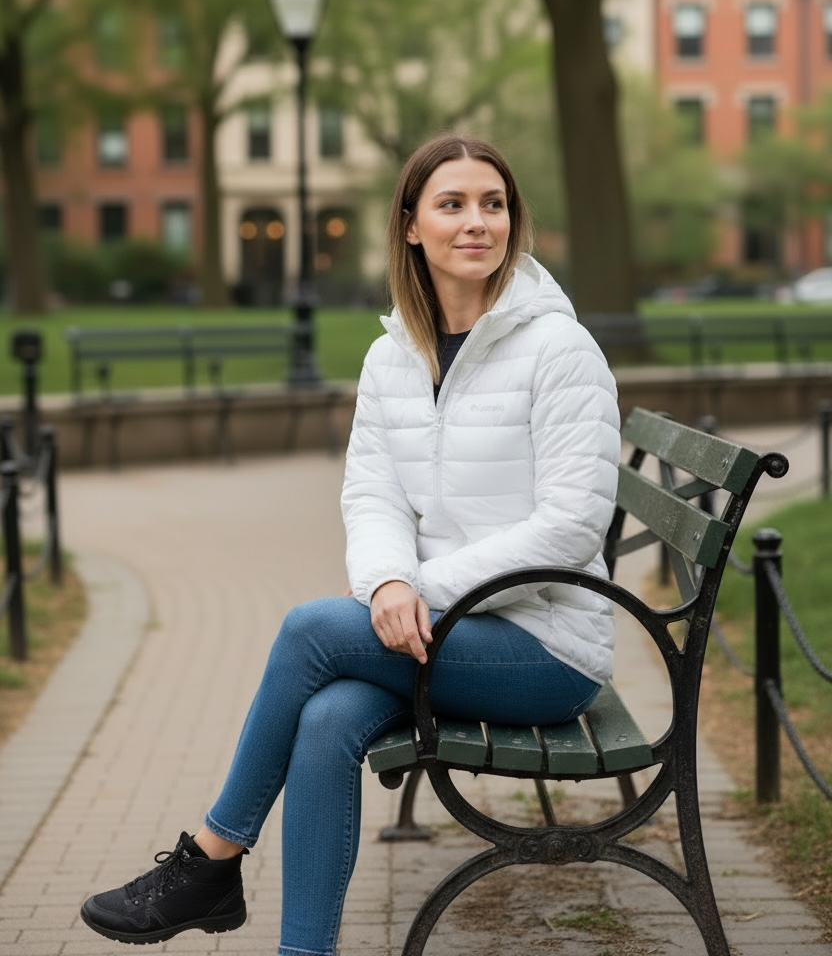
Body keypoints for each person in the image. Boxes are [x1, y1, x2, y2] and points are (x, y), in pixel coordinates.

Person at [80, 134, 621, 955]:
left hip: (548, 649)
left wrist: (419, 590)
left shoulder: (560, 349)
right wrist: (387, 582)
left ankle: (211, 857)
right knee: (327, 718)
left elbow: (573, 523)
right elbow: (372, 495)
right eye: (452, 204)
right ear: (410, 226)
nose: (477, 222)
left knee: (309, 630)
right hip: (442, 629)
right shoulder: (389, 357)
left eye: (493, 204)